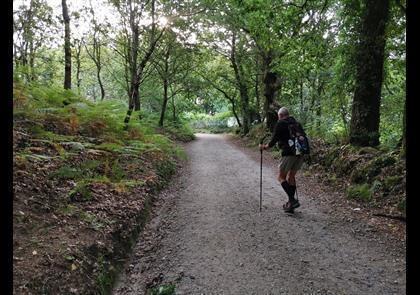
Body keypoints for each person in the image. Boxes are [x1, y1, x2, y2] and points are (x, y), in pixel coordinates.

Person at [259, 107, 305, 213]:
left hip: (288, 153)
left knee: (281, 177)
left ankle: (292, 200)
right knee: (291, 177)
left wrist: (264, 147)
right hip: (300, 153)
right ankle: (291, 204)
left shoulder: (281, 123)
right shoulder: (297, 123)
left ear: (280, 115)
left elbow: (274, 140)